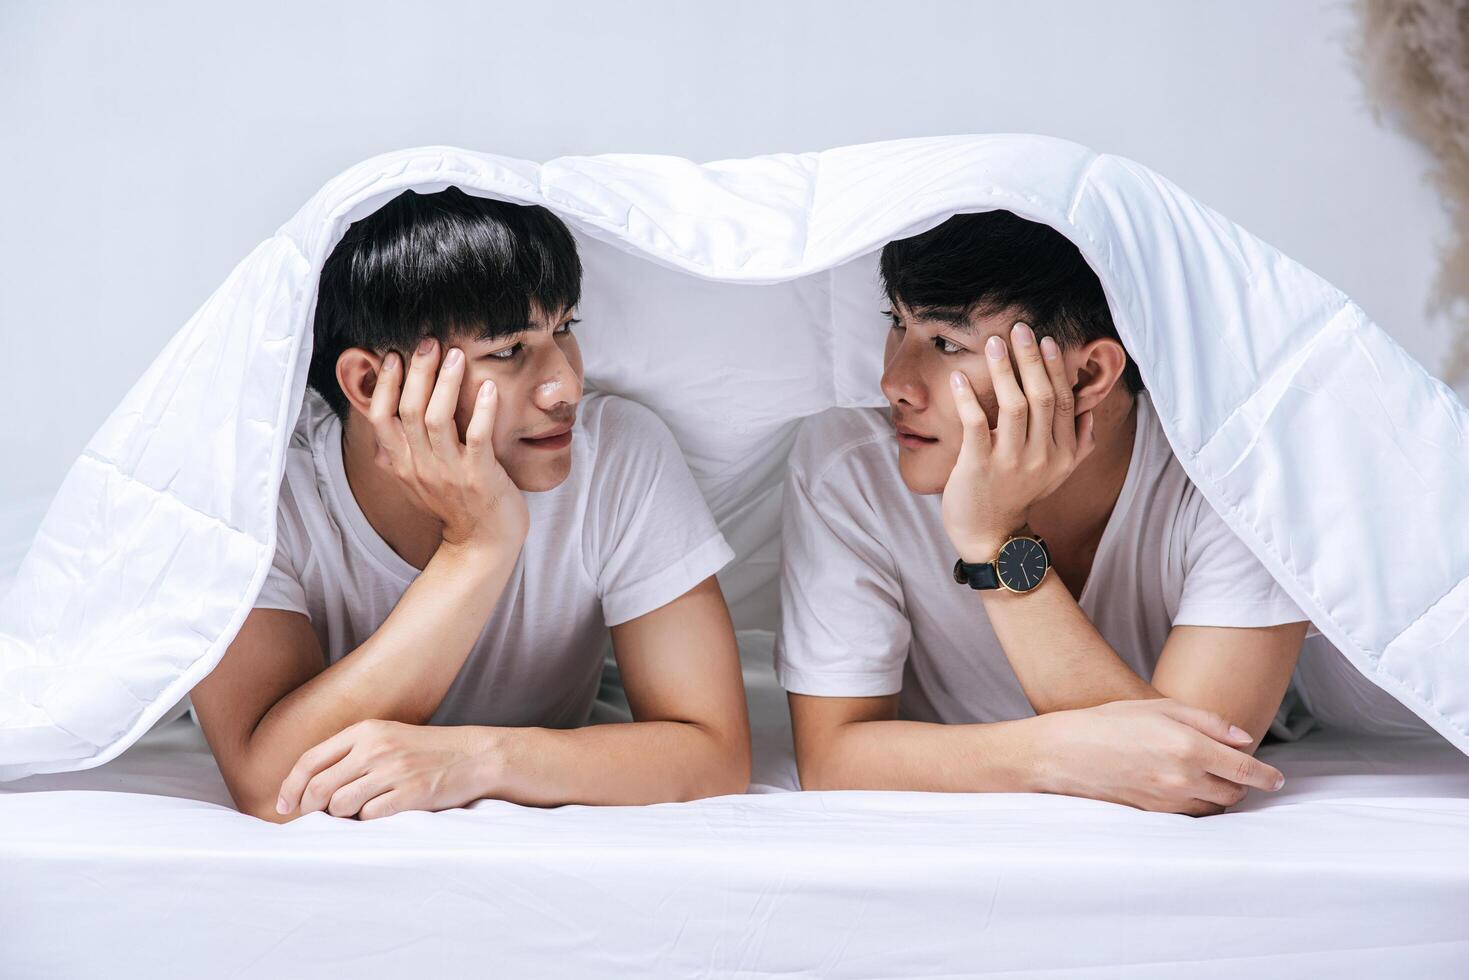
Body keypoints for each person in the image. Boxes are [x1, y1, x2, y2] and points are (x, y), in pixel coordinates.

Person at [190, 188, 751, 822]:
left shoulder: (617, 456)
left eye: (565, 329)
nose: (566, 385)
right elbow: (273, 788)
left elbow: (715, 754)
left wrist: (477, 760)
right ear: (372, 384)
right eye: (508, 351)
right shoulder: (259, 495)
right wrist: (477, 546)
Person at [775, 209, 1311, 816]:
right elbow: (831, 759)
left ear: (1087, 374)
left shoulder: (1239, 472)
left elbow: (1194, 779)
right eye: (896, 324)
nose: (894, 381)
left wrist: (993, 537)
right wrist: (1048, 752)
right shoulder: (851, 465)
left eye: (948, 344)